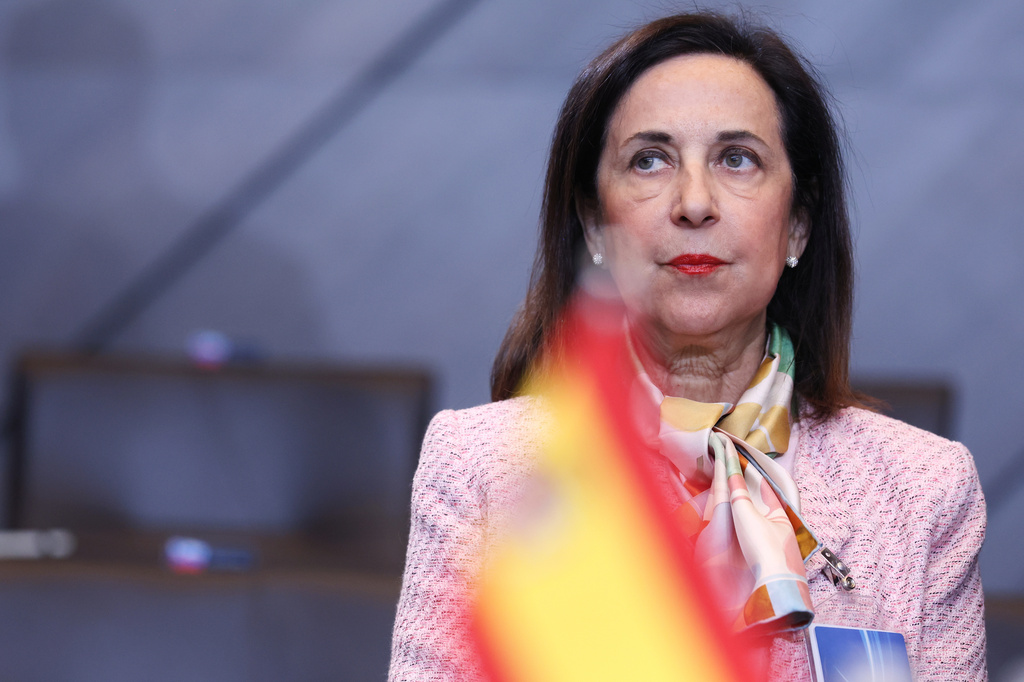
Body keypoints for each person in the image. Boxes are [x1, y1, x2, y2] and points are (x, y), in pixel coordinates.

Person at [388, 12, 987, 681]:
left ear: (797, 226)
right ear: (594, 225)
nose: (694, 203)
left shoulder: (926, 491)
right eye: (650, 160)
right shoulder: (476, 470)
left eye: (738, 159)